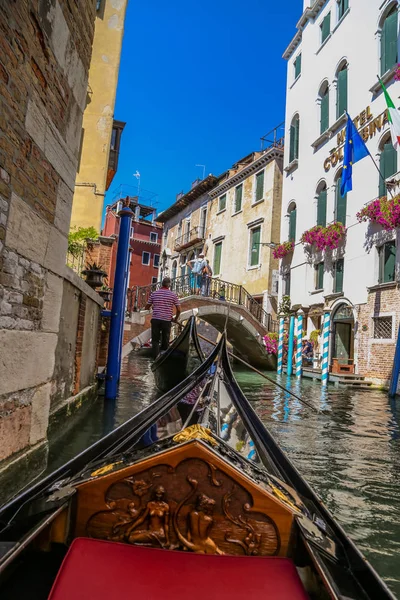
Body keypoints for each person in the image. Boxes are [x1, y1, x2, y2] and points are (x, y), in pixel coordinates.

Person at [145, 277, 181, 358]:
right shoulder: (173, 295)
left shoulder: (154, 294)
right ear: (169, 285)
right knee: (165, 341)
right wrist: (175, 319)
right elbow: (179, 310)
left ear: (161, 284)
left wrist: (154, 307)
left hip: (156, 319)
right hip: (166, 321)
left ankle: (155, 358)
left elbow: (146, 307)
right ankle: (163, 358)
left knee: (155, 340)